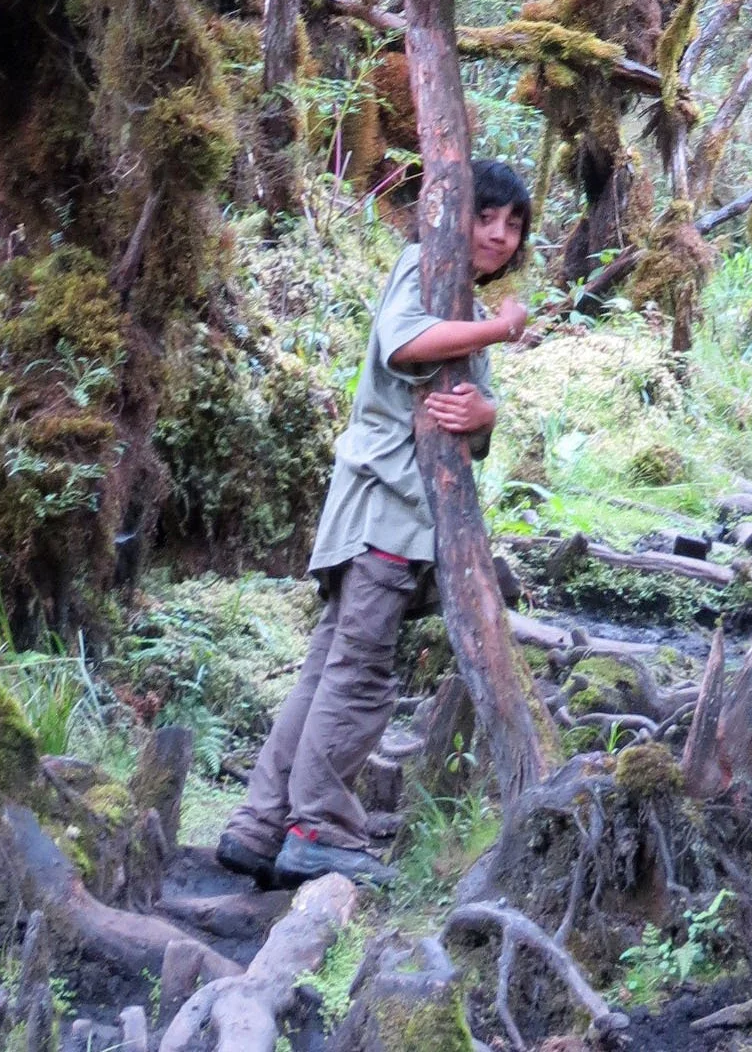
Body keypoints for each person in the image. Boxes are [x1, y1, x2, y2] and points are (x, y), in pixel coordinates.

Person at [216, 157, 533, 888]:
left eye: (513, 224)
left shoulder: (454, 293)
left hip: (378, 508)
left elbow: (448, 405)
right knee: (358, 674)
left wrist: (485, 414)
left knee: (330, 666)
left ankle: (262, 825)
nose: (499, 235)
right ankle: (318, 829)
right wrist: (496, 332)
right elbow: (402, 343)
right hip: (387, 509)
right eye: (486, 216)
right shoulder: (427, 264)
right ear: (451, 212)